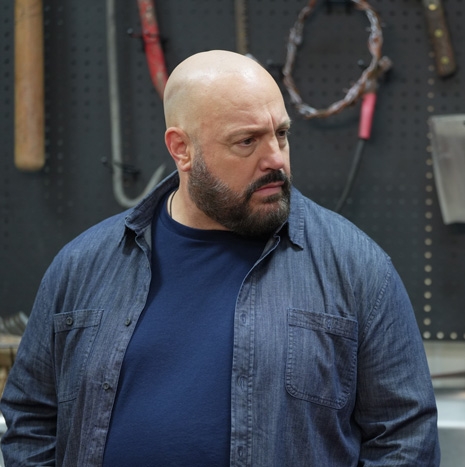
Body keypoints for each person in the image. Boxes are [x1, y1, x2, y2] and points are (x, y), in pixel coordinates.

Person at [1, 50, 440, 466]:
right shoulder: (82, 265)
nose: (275, 159)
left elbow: (405, 436)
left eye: (281, 134)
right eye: (247, 141)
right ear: (182, 149)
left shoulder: (357, 268)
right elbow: (31, 419)